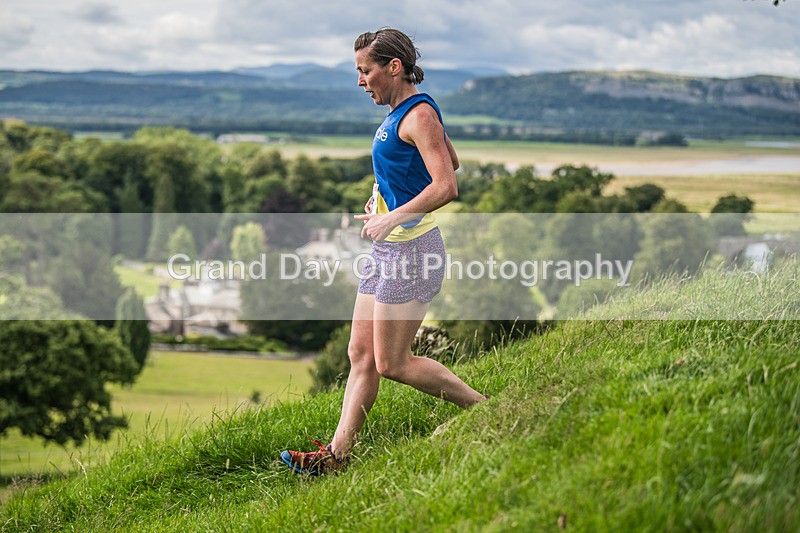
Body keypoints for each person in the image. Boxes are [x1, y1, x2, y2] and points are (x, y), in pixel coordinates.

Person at [281, 28, 487, 476]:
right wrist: (385, 198)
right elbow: (446, 160)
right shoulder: (407, 112)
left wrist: (393, 217)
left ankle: (485, 408)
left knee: (393, 363)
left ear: (394, 67)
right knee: (361, 355)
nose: (360, 81)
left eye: (365, 70)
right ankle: (335, 458)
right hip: (388, 251)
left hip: (412, 251)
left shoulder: (418, 114)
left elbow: (448, 184)